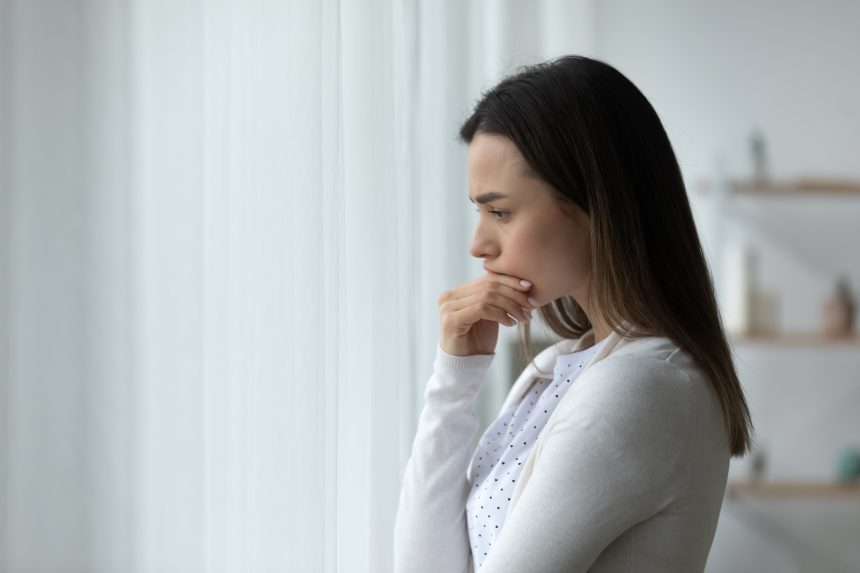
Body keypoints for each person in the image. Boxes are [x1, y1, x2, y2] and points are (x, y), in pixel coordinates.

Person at [393, 55, 754, 573]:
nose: (478, 244)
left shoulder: (640, 386)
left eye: (501, 212)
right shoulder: (559, 369)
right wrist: (455, 378)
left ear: (593, 203)